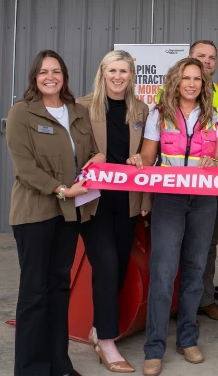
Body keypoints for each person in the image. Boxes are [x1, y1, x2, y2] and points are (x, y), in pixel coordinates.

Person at [5, 50, 104, 376]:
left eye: (56, 71)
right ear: (35, 77)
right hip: (35, 213)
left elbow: (88, 154)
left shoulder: (77, 111)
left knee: (60, 287)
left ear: (64, 76)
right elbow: (25, 168)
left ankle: (60, 364)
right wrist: (61, 189)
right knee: (35, 291)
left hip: (69, 214)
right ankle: (31, 368)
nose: (51, 77)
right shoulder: (22, 113)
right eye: (44, 71)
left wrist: (100, 158)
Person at [132, 57, 218, 376]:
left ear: (204, 84)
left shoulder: (215, 114)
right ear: (176, 81)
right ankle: (154, 347)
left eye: (197, 79)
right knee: (162, 271)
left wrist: (215, 162)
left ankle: (187, 338)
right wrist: (138, 161)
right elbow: (148, 156)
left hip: (203, 201)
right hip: (169, 200)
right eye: (186, 78)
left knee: (195, 269)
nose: (191, 83)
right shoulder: (160, 115)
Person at [76, 50, 150, 373]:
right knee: (105, 262)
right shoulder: (81, 107)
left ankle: (97, 327)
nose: (118, 76)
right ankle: (106, 340)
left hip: (127, 202)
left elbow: (148, 154)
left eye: (124, 71)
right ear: (102, 72)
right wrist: (93, 156)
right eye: (113, 70)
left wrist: (141, 161)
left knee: (119, 265)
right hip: (94, 202)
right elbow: (73, 152)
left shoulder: (141, 109)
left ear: (131, 75)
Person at [187, 40, 218, 323]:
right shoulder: (166, 93)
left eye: (212, 57)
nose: (207, 61)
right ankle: (176, 302)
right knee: (174, 245)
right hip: (176, 185)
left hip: (212, 184)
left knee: (206, 244)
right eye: (200, 56)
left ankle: (204, 299)